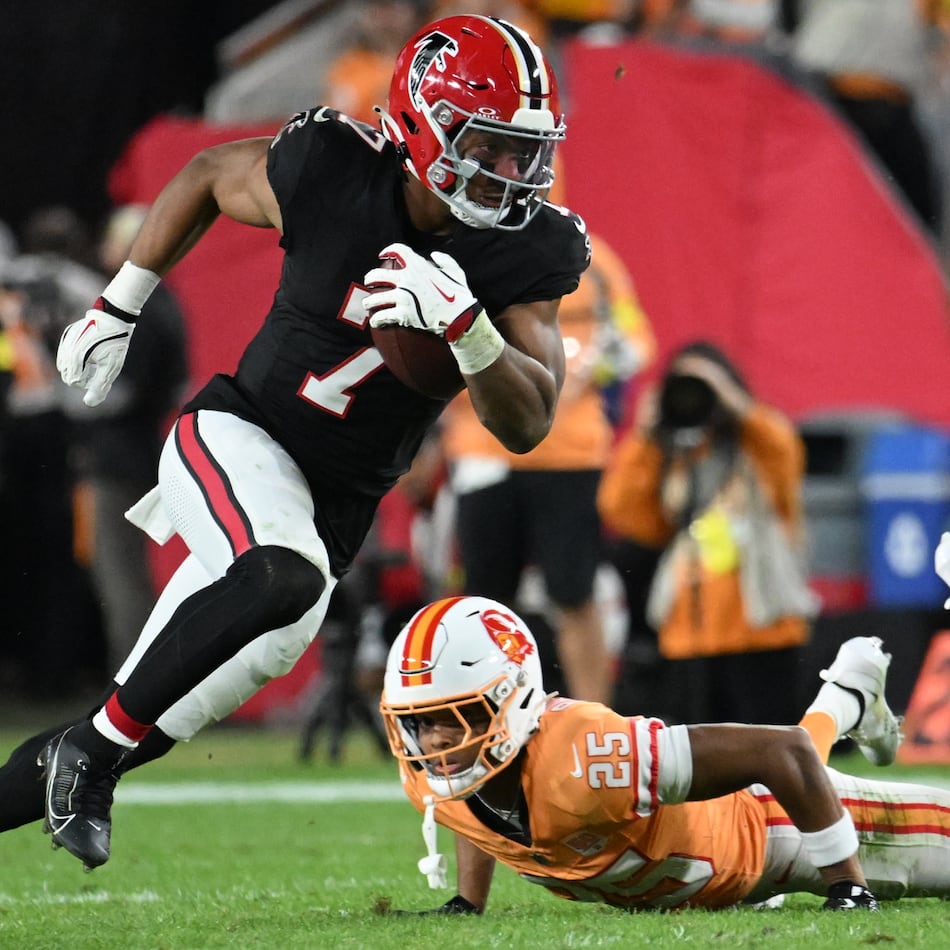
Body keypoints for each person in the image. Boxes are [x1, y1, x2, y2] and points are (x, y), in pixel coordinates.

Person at [13, 14, 589, 871]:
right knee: (279, 577)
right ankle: (89, 761)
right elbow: (210, 172)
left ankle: (87, 757)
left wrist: (470, 334)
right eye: (491, 145)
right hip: (238, 434)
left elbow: (530, 418)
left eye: (524, 149)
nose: (513, 173)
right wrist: (119, 303)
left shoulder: (531, 250)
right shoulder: (335, 168)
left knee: (138, 717)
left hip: (331, 512)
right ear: (426, 125)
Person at [378, 595, 941, 915]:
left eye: (461, 717)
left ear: (514, 696)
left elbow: (783, 752)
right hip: (713, 879)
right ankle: (848, 689)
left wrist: (849, 885)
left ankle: (847, 692)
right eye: (421, 722)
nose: (437, 743)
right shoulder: (434, 779)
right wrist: (467, 902)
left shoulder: (591, 757)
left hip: (768, 828)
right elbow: (475, 812)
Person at [440, 232, 654, 703]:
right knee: (482, 601)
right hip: (483, 446)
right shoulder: (456, 248)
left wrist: (595, 365)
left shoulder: (590, 255)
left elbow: (637, 340)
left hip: (569, 454)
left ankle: (594, 721)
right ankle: (480, 711)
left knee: (575, 592)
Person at [596, 340, 817, 725]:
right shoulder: (669, 455)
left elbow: (785, 452)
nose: (694, 394)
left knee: (769, 758)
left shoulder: (758, 445)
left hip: (764, 631)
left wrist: (730, 398)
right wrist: (645, 434)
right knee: (701, 767)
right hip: (686, 634)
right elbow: (622, 510)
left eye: (703, 386)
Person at [66, 204, 189, 671]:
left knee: (120, 577)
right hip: (140, 453)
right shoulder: (166, 304)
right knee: (122, 574)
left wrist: (64, 402)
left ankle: (134, 685)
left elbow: (119, 394)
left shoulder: (144, 309)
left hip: (121, 458)